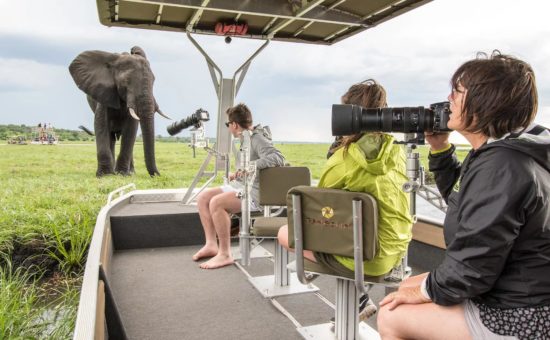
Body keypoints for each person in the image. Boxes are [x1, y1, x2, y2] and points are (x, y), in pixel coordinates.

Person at [377, 51, 550, 340]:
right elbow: (463, 199)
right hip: (511, 289)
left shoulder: (502, 166)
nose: (449, 99)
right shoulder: (503, 153)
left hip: (521, 312)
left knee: (393, 314)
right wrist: (440, 148)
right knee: (409, 286)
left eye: (457, 91)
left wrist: (425, 290)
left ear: (485, 102)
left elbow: (472, 269)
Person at [278, 79, 412, 321]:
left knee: (286, 232)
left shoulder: (341, 161)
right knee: (350, 230)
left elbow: (317, 209)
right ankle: (358, 300)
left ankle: (358, 299)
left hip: (362, 260)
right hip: (396, 253)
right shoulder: (399, 153)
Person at [193, 103, 285, 269]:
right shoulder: (246, 137)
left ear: (234, 124)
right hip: (241, 185)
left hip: (254, 193)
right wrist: (239, 173)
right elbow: (251, 167)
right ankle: (211, 244)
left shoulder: (257, 138)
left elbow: (278, 157)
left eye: (228, 124)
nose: (229, 127)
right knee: (203, 198)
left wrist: (249, 167)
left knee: (217, 203)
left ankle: (225, 254)